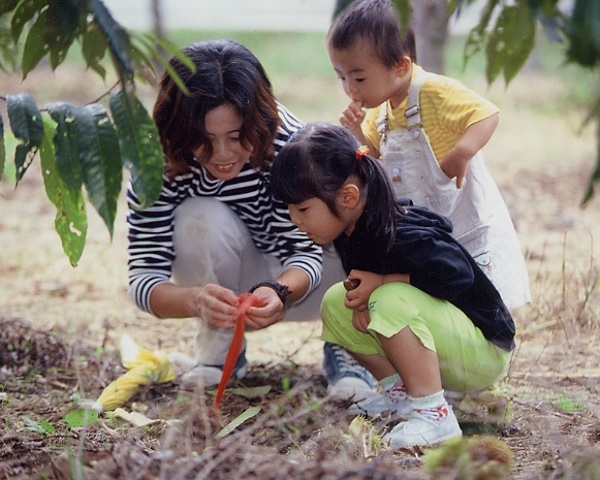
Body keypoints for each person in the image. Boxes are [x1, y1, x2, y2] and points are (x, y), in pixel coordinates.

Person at [126, 39, 373, 394]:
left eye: (236, 136)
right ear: (179, 129)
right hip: (234, 280)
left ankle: (348, 342)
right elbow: (144, 277)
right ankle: (219, 347)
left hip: (315, 282)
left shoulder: (293, 144)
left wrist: (279, 291)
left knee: (336, 214)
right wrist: (196, 300)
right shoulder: (157, 162)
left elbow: (304, 250)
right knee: (199, 218)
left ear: (257, 120)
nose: (222, 154)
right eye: (204, 139)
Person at [270, 122, 516, 448]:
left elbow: (458, 276)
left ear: (348, 197)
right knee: (336, 302)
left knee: (388, 298)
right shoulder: (350, 230)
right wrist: (364, 299)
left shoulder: (400, 234)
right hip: (440, 346)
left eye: (302, 209)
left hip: (481, 352)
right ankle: (402, 397)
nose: (294, 220)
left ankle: (434, 416)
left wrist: (384, 282)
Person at [326, 0, 530, 310]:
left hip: (461, 217)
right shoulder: (381, 109)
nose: (350, 89)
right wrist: (356, 133)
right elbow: (377, 153)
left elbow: (486, 114)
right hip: (426, 224)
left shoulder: (434, 91)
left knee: (476, 288)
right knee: (436, 284)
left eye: (359, 78)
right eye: (342, 77)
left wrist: (462, 151)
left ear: (400, 66)